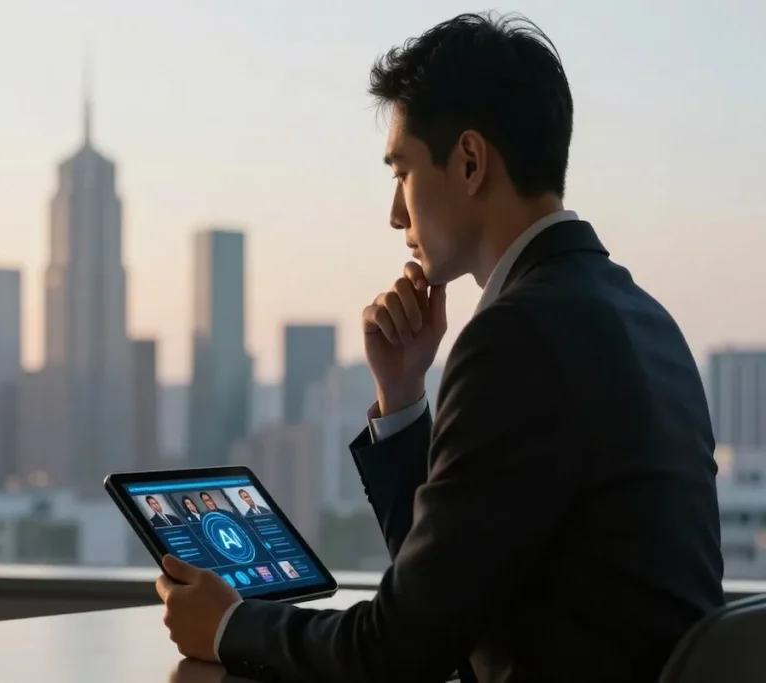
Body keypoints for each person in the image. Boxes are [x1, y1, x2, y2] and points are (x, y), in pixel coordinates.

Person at [154, 12, 724, 683]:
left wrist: (228, 625)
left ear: (471, 162)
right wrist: (402, 394)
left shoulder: (518, 337)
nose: (395, 212)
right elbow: (445, 603)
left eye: (401, 171)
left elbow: (397, 652)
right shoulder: (645, 318)